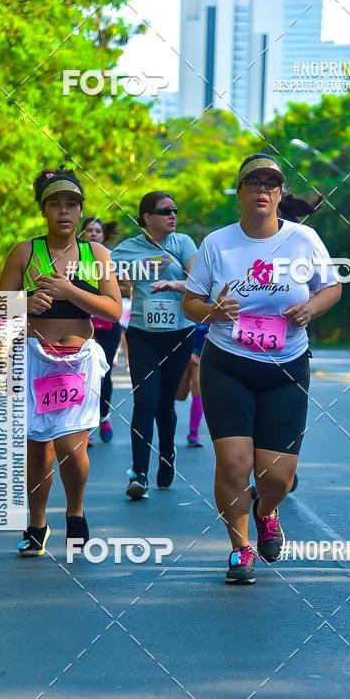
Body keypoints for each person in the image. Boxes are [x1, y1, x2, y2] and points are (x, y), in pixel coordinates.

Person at [183, 153, 341, 585]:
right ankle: (240, 549)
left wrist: (309, 308)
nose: (262, 191)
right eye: (253, 183)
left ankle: (266, 509)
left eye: (271, 184)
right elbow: (190, 303)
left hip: (286, 367)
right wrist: (213, 310)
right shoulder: (218, 243)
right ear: (239, 192)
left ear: (280, 194)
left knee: (277, 477)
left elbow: (331, 287)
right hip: (228, 364)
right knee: (234, 464)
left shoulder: (303, 240)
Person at [0, 169, 121, 556]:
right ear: (44, 210)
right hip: (34, 359)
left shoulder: (95, 254)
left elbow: (113, 309)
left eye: (71, 204)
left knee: (71, 447)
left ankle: (76, 512)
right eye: (55, 204)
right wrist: (23, 304)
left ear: (81, 211)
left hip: (77, 360)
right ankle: (36, 523)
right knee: (39, 449)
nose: (64, 212)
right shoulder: (25, 251)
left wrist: (69, 290)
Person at [111, 192, 197, 499]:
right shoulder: (126, 250)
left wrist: (175, 284)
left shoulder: (183, 243)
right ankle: (139, 473)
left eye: (175, 210)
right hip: (142, 335)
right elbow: (106, 279)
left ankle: (167, 455)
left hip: (179, 334)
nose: (173, 215)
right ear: (147, 217)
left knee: (165, 404)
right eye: (165, 211)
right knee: (145, 400)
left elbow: (201, 281)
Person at [81, 216, 123, 442]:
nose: (94, 233)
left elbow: (125, 289)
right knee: (85, 375)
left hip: (108, 327)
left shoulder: (114, 259)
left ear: (104, 235)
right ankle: (84, 427)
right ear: (82, 234)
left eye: (97, 230)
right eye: (89, 230)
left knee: (103, 374)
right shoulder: (73, 258)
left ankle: (104, 416)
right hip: (83, 325)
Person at [176, 323, 208, 447]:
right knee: (180, 395)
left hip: (202, 351)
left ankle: (194, 433)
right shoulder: (185, 305)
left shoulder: (216, 304)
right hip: (184, 348)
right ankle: (166, 420)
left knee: (198, 387)